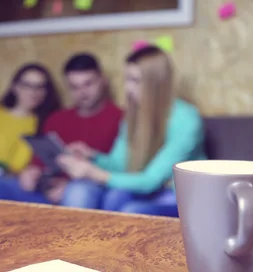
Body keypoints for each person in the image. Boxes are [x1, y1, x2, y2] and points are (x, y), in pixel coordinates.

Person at [56, 46, 207, 216]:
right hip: (149, 192)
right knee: (114, 197)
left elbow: (151, 180)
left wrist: (94, 173)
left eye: (135, 81)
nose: (127, 89)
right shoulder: (135, 116)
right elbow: (119, 165)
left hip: (181, 197)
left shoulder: (186, 119)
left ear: (154, 83)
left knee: (132, 210)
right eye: (127, 79)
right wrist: (92, 156)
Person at [0, 53, 122, 204]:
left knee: (78, 192)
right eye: (74, 87)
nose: (82, 93)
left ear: (102, 80)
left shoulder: (120, 118)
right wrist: (32, 173)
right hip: (44, 189)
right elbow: (38, 161)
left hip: (86, 185)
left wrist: (69, 183)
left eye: (88, 84)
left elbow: (120, 168)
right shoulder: (57, 119)